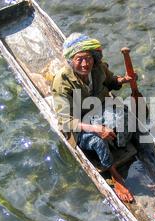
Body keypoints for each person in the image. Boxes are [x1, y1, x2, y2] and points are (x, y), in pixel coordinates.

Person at [52, 33, 134, 203]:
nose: (85, 64)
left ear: (93, 57)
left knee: (126, 115)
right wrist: (97, 129)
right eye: (79, 59)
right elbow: (66, 121)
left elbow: (111, 82)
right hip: (80, 124)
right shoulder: (62, 82)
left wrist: (124, 80)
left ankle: (118, 143)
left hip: (99, 109)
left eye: (88, 58)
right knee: (97, 141)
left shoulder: (98, 67)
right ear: (70, 60)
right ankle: (113, 173)